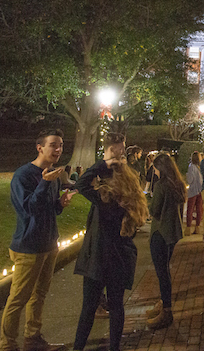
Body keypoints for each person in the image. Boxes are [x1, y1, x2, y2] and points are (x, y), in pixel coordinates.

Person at [72, 133, 148, 351]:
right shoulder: (131, 196)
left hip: (99, 257)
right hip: (121, 257)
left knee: (88, 308)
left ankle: (79, 347)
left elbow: (81, 183)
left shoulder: (106, 197)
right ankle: (114, 347)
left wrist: (101, 164)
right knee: (116, 307)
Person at [0, 129, 72, 351]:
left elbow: (47, 211)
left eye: (60, 145)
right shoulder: (23, 175)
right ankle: (7, 345)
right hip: (29, 247)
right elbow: (27, 209)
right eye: (53, 145)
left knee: (39, 295)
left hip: (49, 244)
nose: (58, 149)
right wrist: (44, 183)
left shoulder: (53, 174)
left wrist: (60, 204)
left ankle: (33, 338)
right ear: (39, 147)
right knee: (18, 299)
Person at [147, 153, 186, 330]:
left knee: (161, 272)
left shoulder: (162, 186)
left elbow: (154, 210)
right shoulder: (177, 184)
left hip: (160, 231)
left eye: (155, 167)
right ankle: (164, 303)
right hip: (172, 232)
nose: (153, 171)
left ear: (160, 168)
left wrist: (147, 199)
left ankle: (166, 310)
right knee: (165, 270)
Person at [185, 151, 203, 235]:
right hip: (200, 190)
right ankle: (197, 227)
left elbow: (190, 180)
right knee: (199, 209)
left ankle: (188, 228)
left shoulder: (191, 167)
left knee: (190, 209)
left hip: (193, 190)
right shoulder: (200, 167)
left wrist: (187, 176)